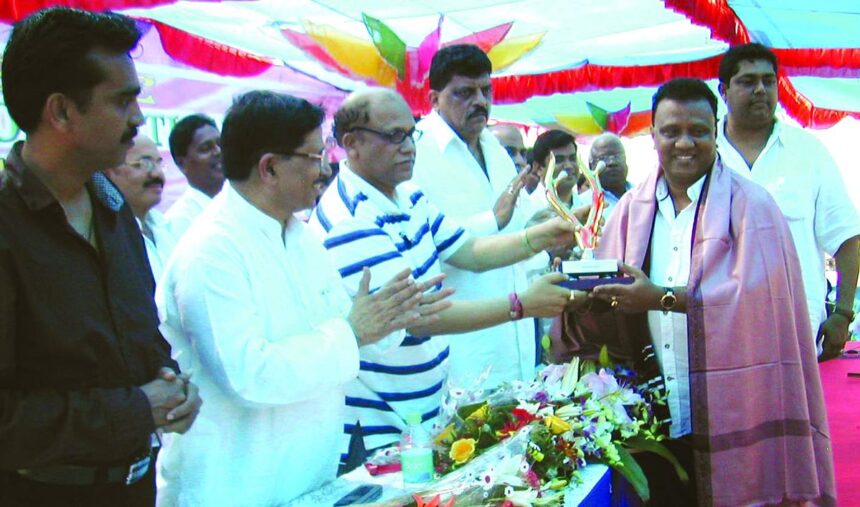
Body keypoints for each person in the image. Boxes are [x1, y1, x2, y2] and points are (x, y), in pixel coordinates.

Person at [156, 90, 448, 505]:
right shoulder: (209, 252)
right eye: (313, 157)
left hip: (306, 478)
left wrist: (388, 318)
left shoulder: (299, 235)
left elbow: (345, 326)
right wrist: (352, 332)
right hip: (234, 486)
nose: (325, 170)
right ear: (270, 168)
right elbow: (250, 375)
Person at [559, 78, 835, 506]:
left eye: (699, 131)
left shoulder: (754, 207)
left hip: (736, 405)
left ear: (716, 130)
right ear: (652, 137)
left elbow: (760, 308)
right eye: (671, 131)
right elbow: (604, 300)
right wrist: (578, 291)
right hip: (653, 413)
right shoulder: (629, 212)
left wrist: (660, 298)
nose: (684, 143)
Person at [0, 7, 201, 506]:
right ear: (62, 112)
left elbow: (139, 339)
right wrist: (135, 410)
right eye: (123, 101)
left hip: (135, 485)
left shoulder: (112, 210)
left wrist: (171, 385)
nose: (137, 119)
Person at [311, 88, 576, 464]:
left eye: (411, 133)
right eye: (394, 136)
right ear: (351, 144)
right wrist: (521, 305)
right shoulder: (351, 218)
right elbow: (417, 319)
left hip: (419, 411)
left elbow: (468, 251)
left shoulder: (407, 193)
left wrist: (538, 238)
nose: (408, 147)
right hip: (377, 422)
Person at [716, 43, 860, 360]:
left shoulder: (809, 153)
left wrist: (843, 313)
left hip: (798, 338)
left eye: (769, 81)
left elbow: (847, 238)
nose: (760, 90)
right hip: (718, 336)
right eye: (747, 81)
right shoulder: (702, 155)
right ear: (723, 91)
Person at [412, 44, 543, 389]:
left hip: (515, 335)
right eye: (465, 93)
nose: (480, 101)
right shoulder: (414, 153)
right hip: (460, 345)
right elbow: (419, 239)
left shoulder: (494, 147)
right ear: (434, 99)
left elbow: (521, 225)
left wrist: (564, 222)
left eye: (486, 90)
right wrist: (491, 220)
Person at [106, 133, 176, 282]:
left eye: (158, 163)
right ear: (110, 170)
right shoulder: (109, 235)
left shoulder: (167, 227)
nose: (158, 173)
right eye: (145, 163)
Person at [165, 114, 223, 239]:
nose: (218, 151)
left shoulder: (242, 203)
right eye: (206, 148)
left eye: (221, 144)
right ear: (182, 164)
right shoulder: (180, 220)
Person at [581, 132, 633, 219]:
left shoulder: (645, 195)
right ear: (591, 166)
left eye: (617, 156)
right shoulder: (582, 204)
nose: (612, 162)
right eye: (603, 158)